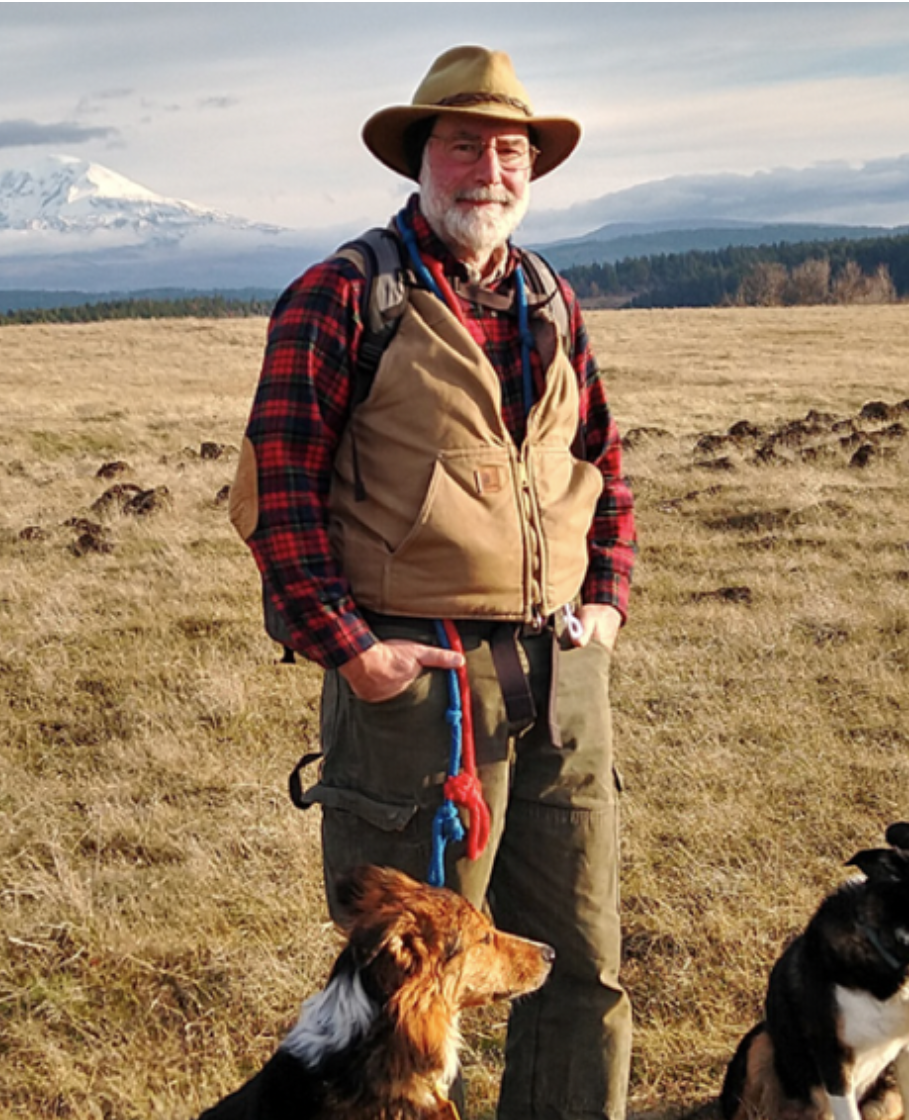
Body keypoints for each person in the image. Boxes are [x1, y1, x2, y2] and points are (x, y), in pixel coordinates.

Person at [230, 45, 636, 1120]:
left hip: (560, 677)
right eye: (463, 144)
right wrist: (350, 649)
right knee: (403, 977)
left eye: (511, 149)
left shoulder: (549, 299)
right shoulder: (341, 294)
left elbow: (600, 460)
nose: (489, 169)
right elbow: (277, 490)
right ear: (420, 158)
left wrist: (608, 596)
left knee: (578, 962)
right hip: (415, 684)